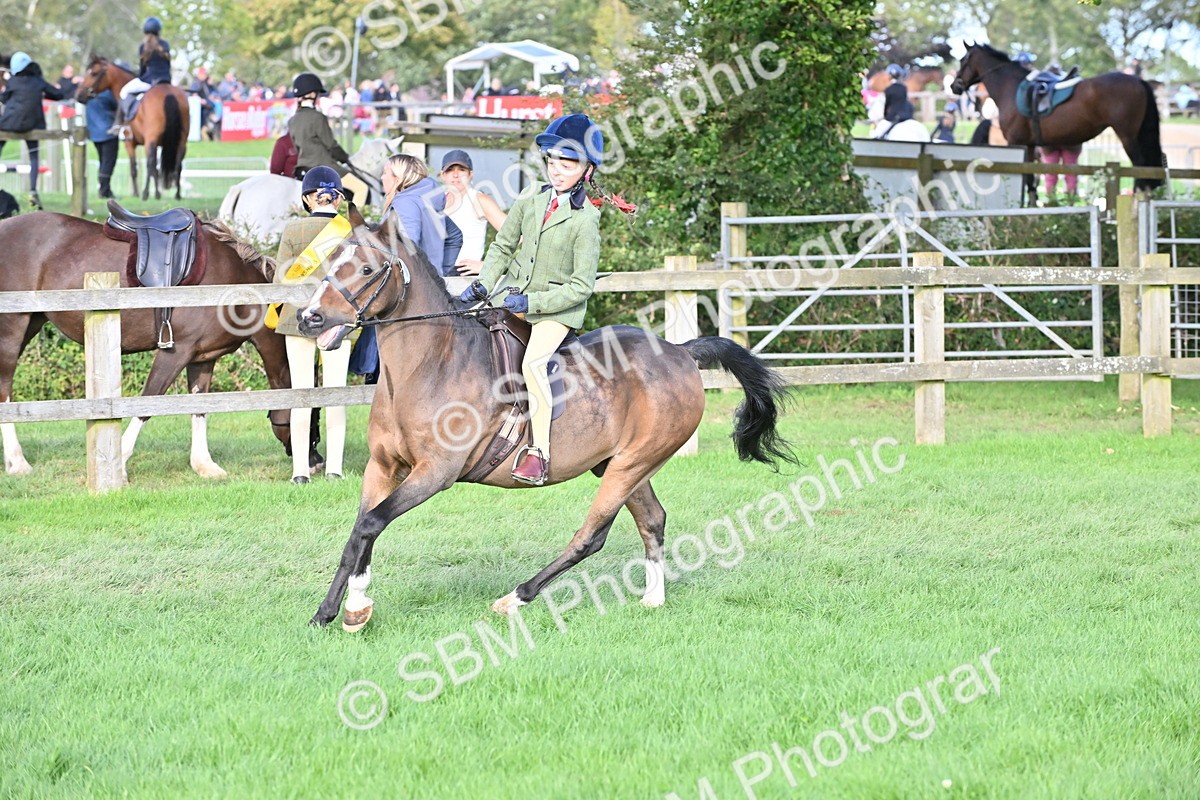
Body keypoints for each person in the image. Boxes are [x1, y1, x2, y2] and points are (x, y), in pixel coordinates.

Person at [459, 113, 635, 485]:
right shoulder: (530, 199)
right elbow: (503, 246)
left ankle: (539, 454)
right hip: (511, 297)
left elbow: (580, 286)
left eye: (567, 164)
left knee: (533, 365)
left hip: (556, 311)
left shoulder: (585, 220)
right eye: (553, 161)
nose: (556, 170)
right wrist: (482, 284)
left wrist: (533, 303)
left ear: (586, 170)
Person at [272, 166, 354, 484]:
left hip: (298, 317)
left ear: (308, 199)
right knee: (336, 393)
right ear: (338, 199)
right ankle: (334, 468)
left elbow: (282, 279)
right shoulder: (348, 232)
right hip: (338, 319)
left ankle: (300, 472)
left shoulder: (293, 231)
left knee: (301, 393)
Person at [286, 72, 368, 206]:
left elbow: (296, 147)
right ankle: (354, 225)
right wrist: (344, 157)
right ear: (312, 94)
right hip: (324, 167)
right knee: (361, 188)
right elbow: (330, 144)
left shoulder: (292, 121)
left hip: (302, 168)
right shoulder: (318, 117)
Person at [0, 51, 65, 209]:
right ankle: (33, 191)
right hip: (33, 125)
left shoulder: (13, 81)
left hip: (10, 124)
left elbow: (3, 99)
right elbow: (58, 94)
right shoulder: (38, 81)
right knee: (34, 156)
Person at [441, 149, 507, 275]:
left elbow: (517, 237)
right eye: (449, 170)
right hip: (438, 274)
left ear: (471, 174)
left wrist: (489, 265)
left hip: (465, 275)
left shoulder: (479, 200)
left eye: (461, 169)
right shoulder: (437, 201)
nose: (455, 175)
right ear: (442, 175)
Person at [110, 16, 172, 135]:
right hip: (165, 81)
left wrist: (139, 77)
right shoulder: (165, 44)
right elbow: (168, 66)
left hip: (149, 81)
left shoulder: (144, 47)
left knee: (124, 91)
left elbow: (143, 70)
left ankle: (120, 123)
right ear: (159, 30)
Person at [85, 88, 119, 198]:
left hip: (95, 134)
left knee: (102, 162)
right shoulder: (107, 94)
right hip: (108, 133)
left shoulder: (88, 96)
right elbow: (118, 105)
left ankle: (105, 189)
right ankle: (104, 191)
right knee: (108, 163)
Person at [189, 66, 216, 138]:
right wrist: (200, 100)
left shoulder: (204, 83)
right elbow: (194, 93)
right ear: (199, 74)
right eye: (204, 74)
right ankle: (204, 128)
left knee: (212, 105)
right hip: (199, 106)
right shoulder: (196, 82)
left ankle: (207, 126)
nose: (205, 76)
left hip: (204, 106)